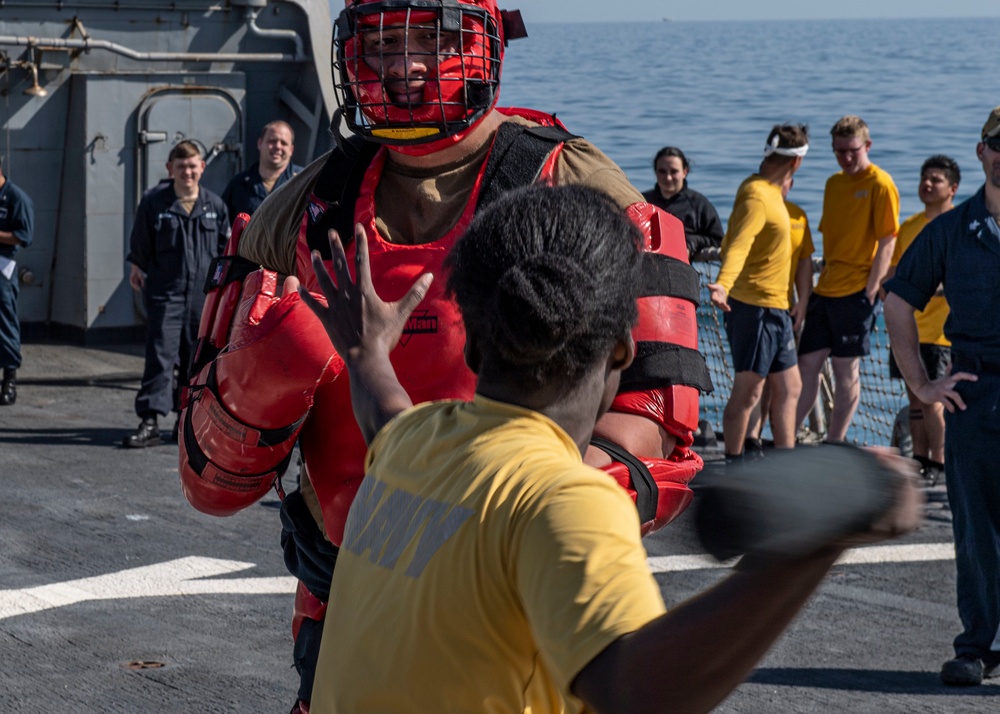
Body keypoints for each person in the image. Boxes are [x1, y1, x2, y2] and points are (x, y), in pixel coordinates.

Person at [176, 3, 712, 711]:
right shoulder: (313, 203)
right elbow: (210, 471)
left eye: (428, 38)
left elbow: (660, 416)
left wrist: (504, 528)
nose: (403, 65)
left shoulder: (568, 180)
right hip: (346, 592)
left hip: (511, 589)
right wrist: (261, 381)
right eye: (383, 43)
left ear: (484, 41)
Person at [302, 183, 923, 713]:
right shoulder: (560, 499)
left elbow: (382, 408)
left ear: (473, 350)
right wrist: (821, 540)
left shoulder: (415, 441)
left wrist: (367, 353)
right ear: (624, 351)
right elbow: (635, 690)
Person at [884, 107, 1000, 687]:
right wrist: (921, 385)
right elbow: (898, 300)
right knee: (977, 527)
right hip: (977, 394)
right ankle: (979, 646)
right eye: (999, 144)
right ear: (981, 151)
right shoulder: (951, 232)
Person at [707, 124, 809, 462]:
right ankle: (733, 465)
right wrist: (723, 282)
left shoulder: (773, 194)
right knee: (747, 395)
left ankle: (785, 465)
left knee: (790, 388)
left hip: (777, 310)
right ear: (797, 163)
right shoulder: (755, 194)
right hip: (754, 309)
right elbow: (738, 244)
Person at [795, 115, 900, 443]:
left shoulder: (880, 183)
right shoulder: (833, 184)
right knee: (806, 363)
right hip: (825, 288)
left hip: (857, 291)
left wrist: (871, 289)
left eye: (852, 150)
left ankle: (835, 441)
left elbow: (888, 239)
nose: (846, 157)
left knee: (845, 371)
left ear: (867, 146)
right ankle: (787, 434)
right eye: (839, 151)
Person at [125, 140, 229, 447]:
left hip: (202, 298)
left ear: (202, 168)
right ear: (170, 169)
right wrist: (136, 266)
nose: (187, 171)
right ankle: (150, 420)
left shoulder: (215, 206)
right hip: (166, 295)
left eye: (192, 165)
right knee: (159, 356)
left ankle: (186, 422)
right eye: (181, 166)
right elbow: (140, 243)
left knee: (195, 361)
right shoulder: (155, 203)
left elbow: (226, 252)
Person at [885, 156, 960, 478]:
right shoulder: (910, 226)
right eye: (923, 177)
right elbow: (894, 271)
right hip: (909, 329)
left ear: (953, 188)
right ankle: (918, 459)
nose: (927, 184)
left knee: (934, 402)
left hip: (941, 333)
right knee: (915, 401)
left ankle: (940, 463)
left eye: (936, 179)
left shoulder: (960, 225)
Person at [746, 175, 814, 454]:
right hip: (756, 306)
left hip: (786, 308)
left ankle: (781, 445)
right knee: (756, 380)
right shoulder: (756, 208)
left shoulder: (798, 216)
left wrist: (803, 301)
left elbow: (804, 261)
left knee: (784, 383)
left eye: (784, 181)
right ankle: (751, 440)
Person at [642, 146, 724, 259]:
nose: (668, 177)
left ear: (685, 172)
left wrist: (690, 243)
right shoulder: (643, 202)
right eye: (662, 171)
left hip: (683, 270)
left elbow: (718, 240)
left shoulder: (698, 204)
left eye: (674, 171)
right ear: (655, 172)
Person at [0, 156, 34, 406]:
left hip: (3, 269)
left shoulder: (16, 198)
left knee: (5, 321)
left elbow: (24, 236)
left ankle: (9, 379)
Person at [221, 120, 302, 219]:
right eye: (272, 141)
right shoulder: (239, 185)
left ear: (291, 150)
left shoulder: (303, 181)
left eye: (284, 143)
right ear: (260, 143)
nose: (278, 146)